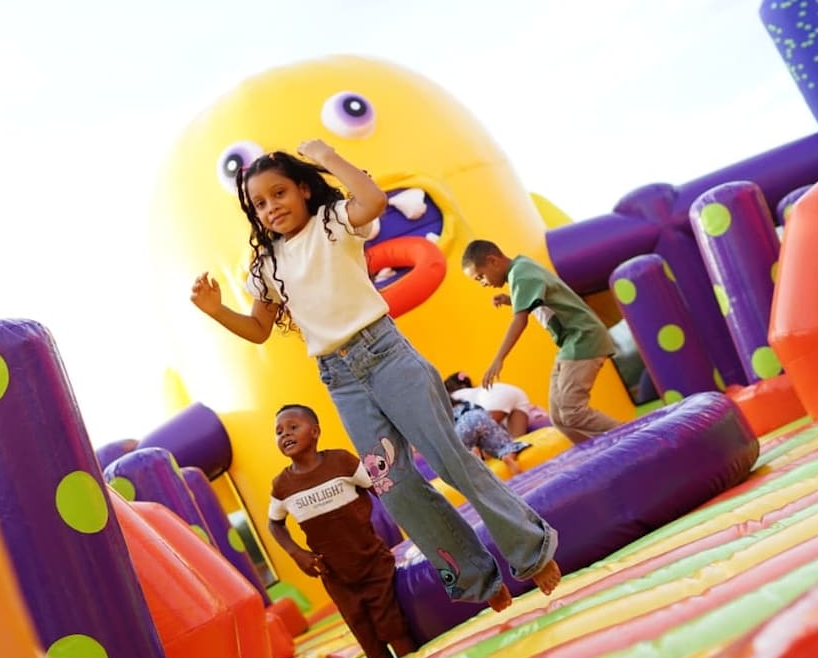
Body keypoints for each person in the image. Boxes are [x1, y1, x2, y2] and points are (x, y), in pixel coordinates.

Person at [190, 140, 560, 612]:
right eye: (260, 204)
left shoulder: (335, 223)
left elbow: (374, 200)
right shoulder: (267, 268)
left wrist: (328, 158)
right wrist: (216, 309)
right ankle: (477, 580)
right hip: (341, 378)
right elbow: (259, 329)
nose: (271, 207)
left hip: (386, 356)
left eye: (279, 193)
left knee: (451, 460)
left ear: (304, 190)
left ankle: (531, 551)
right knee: (395, 486)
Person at [267, 404, 415, 658]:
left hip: (372, 562)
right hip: (334, 575)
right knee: (366, 636)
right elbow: (275, 524)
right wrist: (297, 554)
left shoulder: (342, 462)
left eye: (293, 427)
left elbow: (379, 489)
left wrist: (405, 521)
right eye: (279, 432)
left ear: (315, 432)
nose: (285, 435)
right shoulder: (282, 485)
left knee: (393, 626)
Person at [461, 239, 620, 443]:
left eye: (480, 277)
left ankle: (637, 436)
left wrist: (498, 359)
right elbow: (544, 297)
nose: (483, 283)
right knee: (559, 418)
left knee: (571, 412)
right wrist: (510, 300)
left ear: (493, 261)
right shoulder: (521, 269)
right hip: (571, 343)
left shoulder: (521, 273)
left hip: (583, 338)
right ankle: (595, 453)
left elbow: (520, 320)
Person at [442, 371, 551, 438]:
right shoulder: (474, 391)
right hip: (513, 392)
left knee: (479, 437)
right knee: (517, 441)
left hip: (493, 398)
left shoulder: (452, 397)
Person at [448, 396, 531, 475]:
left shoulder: (445, 413)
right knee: (502, 445)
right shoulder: (463, 403)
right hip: (478, 415)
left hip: (462, 425)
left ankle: (477, 466)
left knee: (461, 454)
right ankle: (508, 455)